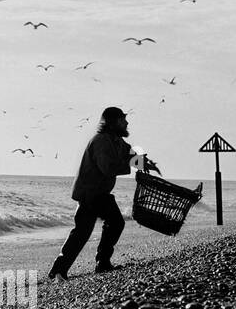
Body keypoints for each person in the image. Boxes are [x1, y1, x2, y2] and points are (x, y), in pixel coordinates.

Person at [48, 106, 158, 281]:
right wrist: (128, 165)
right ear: (114, 123)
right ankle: (78, 267)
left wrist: (147, 164)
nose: (127, 123)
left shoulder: (116, 141)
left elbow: (130, 155)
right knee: (91, 230)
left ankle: (89, 265)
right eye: (123, 120)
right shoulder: (101, 141)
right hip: (89, 193)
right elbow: (107, 168)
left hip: (99, 193)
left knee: (97, 228)